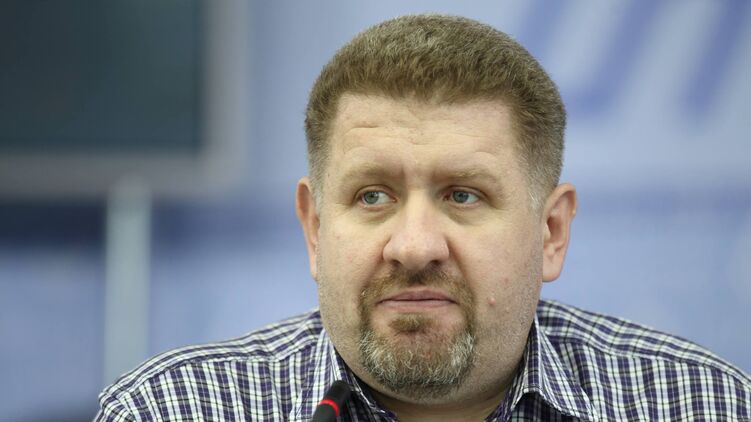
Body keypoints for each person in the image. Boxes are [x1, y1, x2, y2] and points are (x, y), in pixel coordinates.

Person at [96, 14, 750, 421]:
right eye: (372, 196)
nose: (413, 246)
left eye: (463, 195)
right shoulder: (173, 410)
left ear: (550, 231)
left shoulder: (700, 405)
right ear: (315, 229)